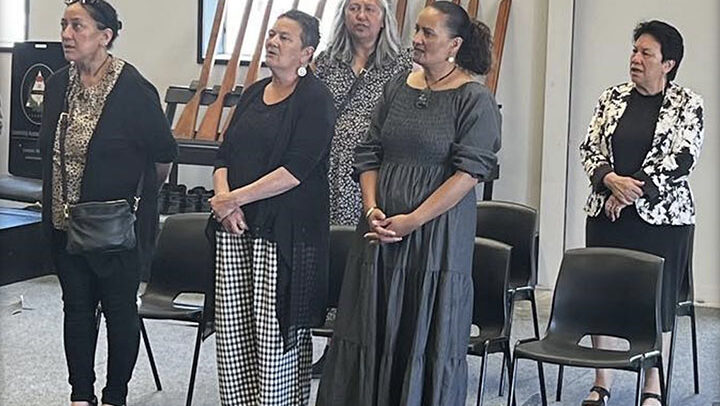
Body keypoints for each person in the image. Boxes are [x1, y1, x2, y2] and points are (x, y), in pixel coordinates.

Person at [316, 2, 501, 405]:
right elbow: (369, 153)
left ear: (454, 45)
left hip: (436, 235)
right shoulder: (398, 85)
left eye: (427, 33)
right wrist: (371, 209)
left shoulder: (474, 99)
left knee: (423, 330)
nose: (416, 39)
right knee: (370, 326)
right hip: (380, 230)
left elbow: (468, 175)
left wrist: (413, 220)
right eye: (417, 30)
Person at [38, 1, 178, 405]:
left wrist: (135, 200)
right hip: (64, 224)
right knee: (76, 310)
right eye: (64, 25)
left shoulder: (133, 89)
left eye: (77, 26)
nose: (66, 34)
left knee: (119, 313)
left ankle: (115, 395)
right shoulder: (58, 84)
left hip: (115, 229)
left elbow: (163, 155)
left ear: (105, 36)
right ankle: (81, 395)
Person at [208, 9, 335, 406]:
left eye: (285, 37)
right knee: (234, 333)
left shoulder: (316, 99)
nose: (273, 42)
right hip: (236, 227)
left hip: (285, 236)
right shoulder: (252, 93)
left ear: (306, 53)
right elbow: (223, 154)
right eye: (272, 34)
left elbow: (295, 170)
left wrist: (233, 199)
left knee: (274, 337)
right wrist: (224, 203)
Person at [579, 20, 703, 406]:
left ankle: (653, 384)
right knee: (601, 296)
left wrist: (631, 191)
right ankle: (602, 380)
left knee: (654, 301)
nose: (635, 58)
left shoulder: (688, 104)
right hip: (607, 212)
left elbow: (683, 158)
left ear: (668, 63)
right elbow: (589, 148)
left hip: (662, 220)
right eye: (635, 50)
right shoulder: (611, 97)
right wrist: (610, 180)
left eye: (646, 53)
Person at [311, 0, 412, 376]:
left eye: (370, 8)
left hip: (373, 174)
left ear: (385, 17)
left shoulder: (402, 64)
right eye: (354, 7)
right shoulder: (326, 62)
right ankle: (335, 343)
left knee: (367, 256)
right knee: (333, 254)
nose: (361, 16)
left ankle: (367, 345)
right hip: (326, 169)